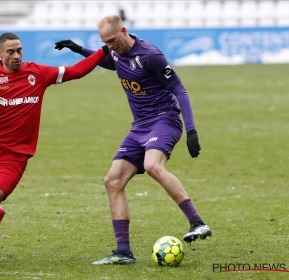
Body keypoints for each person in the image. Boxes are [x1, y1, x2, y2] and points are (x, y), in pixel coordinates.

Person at [0, 32, 109, 269]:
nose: (17, 55)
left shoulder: (37, 73)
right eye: (11, 51)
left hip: (14, 157)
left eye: (19, 50)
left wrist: (104, 51)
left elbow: (76, 71)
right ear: (0, 54)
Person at [54, 15, 211, 265]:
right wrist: (80, 50)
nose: (110, 46)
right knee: (113, 180)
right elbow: (112, 62)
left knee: (152, 166)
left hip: (164, 119)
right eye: (105, 42)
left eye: (113, 40)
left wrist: (192, 131)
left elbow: (179, 89)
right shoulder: (114, 51)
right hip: (139, 126)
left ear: (124, 31)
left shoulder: (150, 55)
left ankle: (198, 223)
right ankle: (123, 252)